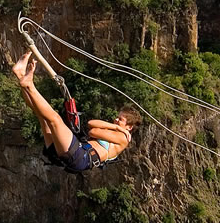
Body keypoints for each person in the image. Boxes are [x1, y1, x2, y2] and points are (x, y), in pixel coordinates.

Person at [12, 51, 141, 171]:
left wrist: (119, 129)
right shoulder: (116, 130)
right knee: (43, 118)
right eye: (118, 117)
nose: (116, 120)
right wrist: (116, 127)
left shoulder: (123, 138)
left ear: (129, 127)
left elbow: (93, 131)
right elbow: (91, 123)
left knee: (55, 120)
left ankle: (29, 85)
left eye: (121, 120)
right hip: (70, 153)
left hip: (81, 157)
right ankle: (20, 74)